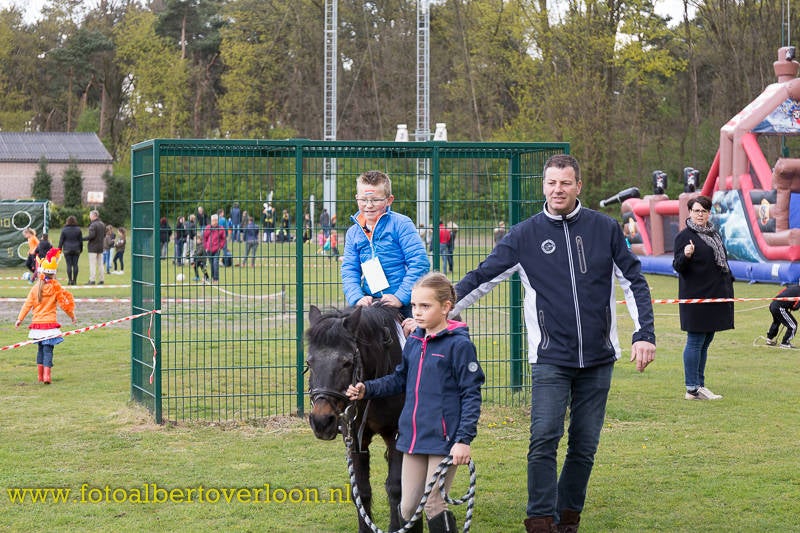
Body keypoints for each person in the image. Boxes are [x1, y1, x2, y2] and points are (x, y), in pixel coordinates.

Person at [448, 154, 656, 533]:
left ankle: (568, 517)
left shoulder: (605, 229)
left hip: (598, 358)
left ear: (579, 186)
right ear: (543, 186)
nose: (557, 189)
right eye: (551, 183)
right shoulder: (524, 235)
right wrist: (441, 309)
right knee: (544, 437)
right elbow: (482, 277)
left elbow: (634, 280)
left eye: (565, 183)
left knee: (584, 444)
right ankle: (541, 519)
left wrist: (644, 335)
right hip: (550, 359)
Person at [347, 272, 484, 533]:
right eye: (415, 305)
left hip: (444, 440)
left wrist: (463, 440)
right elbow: (399, 379)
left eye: (425, 306)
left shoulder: (460, 346)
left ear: (446, 307)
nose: (417, 312)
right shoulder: (414, 342)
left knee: (433, 503)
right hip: (412, 438)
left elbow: (471, 394)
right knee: (408, 508)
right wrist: (367, 389)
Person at [342, 170, 430, 319]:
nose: (369, 205)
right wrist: (357, 298)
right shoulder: (353, 233)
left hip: (404, 304)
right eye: (363, 200)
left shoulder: (401, 224)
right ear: (357, 198)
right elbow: (350, 269)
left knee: (411, 340)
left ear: (389, 200)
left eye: (375, 200)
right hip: (371, 304)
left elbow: (419, 263)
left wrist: (400, 297)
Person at [673, 194, 733, 401]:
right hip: (696, 298)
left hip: (714, 295)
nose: (700, 214)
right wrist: (687, 255)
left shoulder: (714, 234)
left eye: (704, 211)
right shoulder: (684, 236)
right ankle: (692, 388)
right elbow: (678, 266)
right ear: (690, 212)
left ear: (709, 213)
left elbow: (721, 262)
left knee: (706, 340)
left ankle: (699, 384)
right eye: (697, 210)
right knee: (695, 340)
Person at [15, 248, 77, 384]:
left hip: (37, 326)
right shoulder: (56, 288)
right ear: (54, 274)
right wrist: (72, 316)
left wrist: (20, 319)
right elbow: (64, 304)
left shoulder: (35, 288)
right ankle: (47, 376)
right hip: (50, 325)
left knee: (40, 350)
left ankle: (40, 376)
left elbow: (27, 305)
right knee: (48, 350)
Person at [58, 215, 83, 286]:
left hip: (67, 249)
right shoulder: (78, 229)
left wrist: (59, 249)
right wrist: (80, 249)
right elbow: (80, 241)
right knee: (75, 265)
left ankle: (69, 280)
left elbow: (61, 241)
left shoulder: (64, 230)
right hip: (76, 249)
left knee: (68, 265)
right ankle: (74, 280)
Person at [202, 213, 226, 283]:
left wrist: (220, 247)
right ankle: (213, 277)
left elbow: (223, 239)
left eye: (216, 220)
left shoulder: (221, 228)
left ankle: (216, 279)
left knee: (215, 263)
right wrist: (206, 246)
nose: (214, 222)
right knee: (211, 264)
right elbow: (204, 238)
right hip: (208, 249)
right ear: (211, 221)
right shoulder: (208, 228)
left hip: (216, 249)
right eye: (213, 220)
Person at [84, 210, 106, 285]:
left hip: (93, 247)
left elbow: (91, 236)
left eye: (90, 215)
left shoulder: (93, 225)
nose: (89, 217)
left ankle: (92, 280)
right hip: (100, 247)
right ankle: (101, 279)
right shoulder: (102, 224)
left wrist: (82, 239)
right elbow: (104, 235)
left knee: (92, 264)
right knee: (101, 264)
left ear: (94, 216)